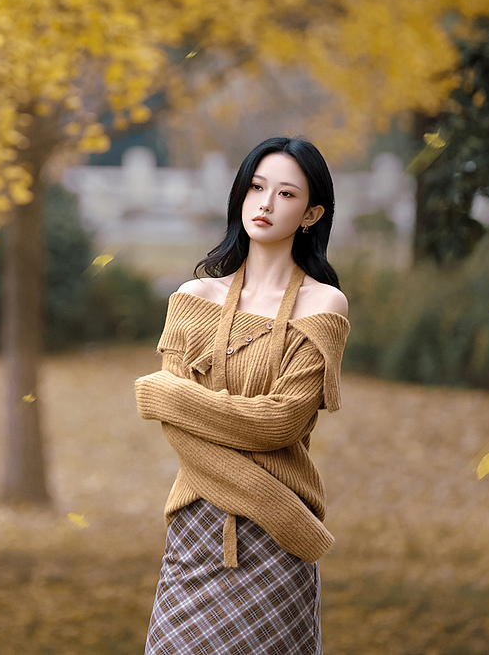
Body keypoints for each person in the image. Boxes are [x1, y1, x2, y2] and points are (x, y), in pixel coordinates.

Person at [134, 136, 349, 655]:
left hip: (278, 546)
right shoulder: (192, 299)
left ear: (311, 213)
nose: (266, 204)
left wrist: (168, 395)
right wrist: (274, 502)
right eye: (256, 187)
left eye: (286, 194)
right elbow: (182, 436)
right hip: (198, 531)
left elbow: (278, 425)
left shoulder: (324, 306)